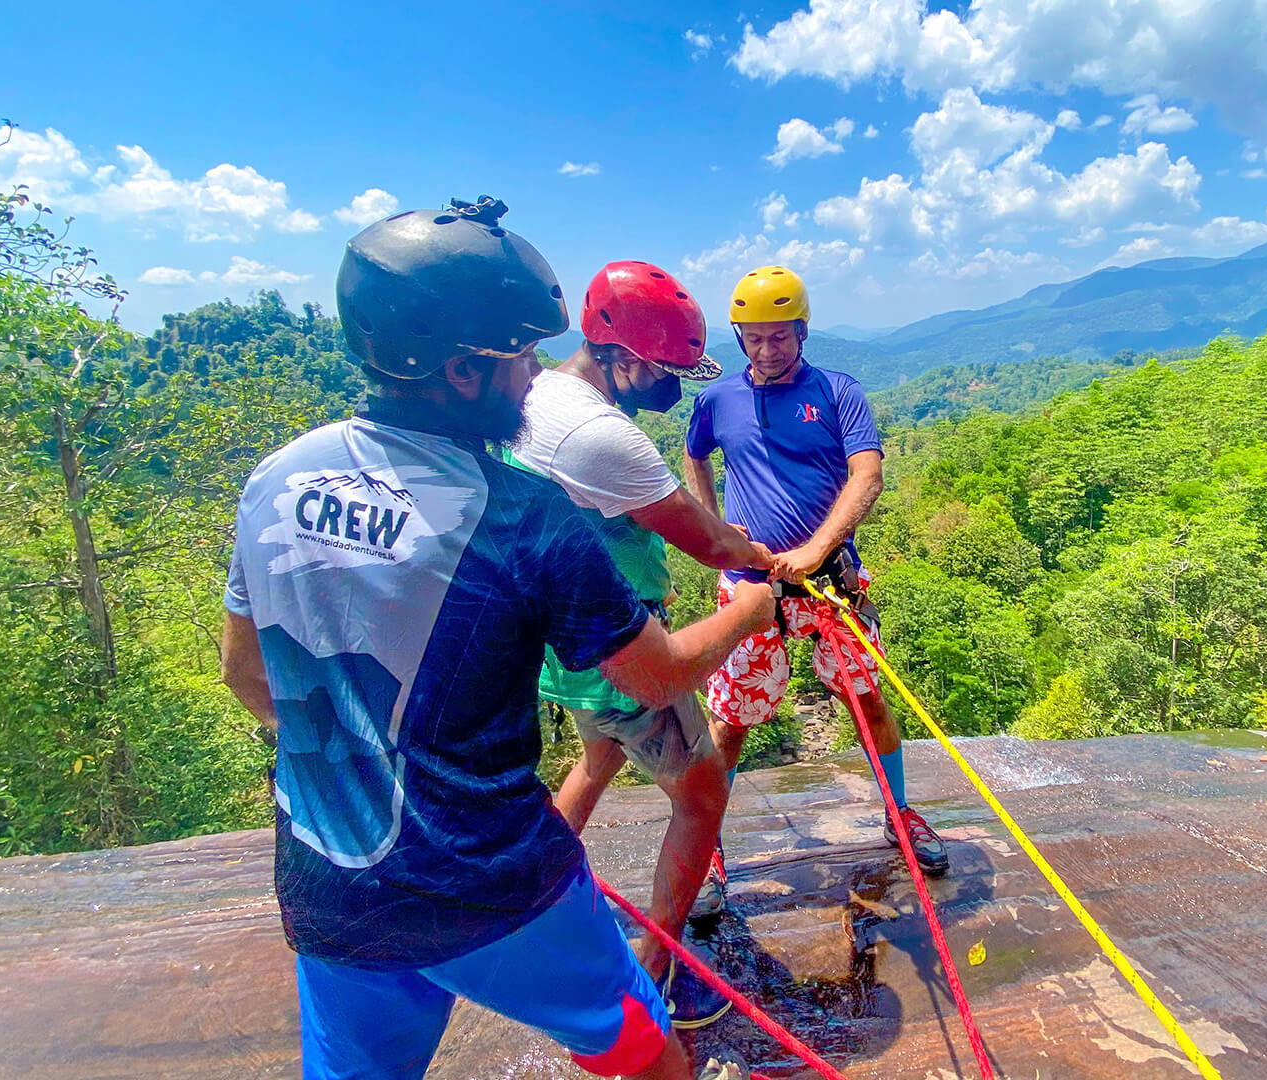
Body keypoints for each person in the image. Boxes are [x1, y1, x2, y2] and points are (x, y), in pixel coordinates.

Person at [220, 197, 770, 1080]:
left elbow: (248, 675)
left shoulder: (280, 476)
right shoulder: (521, 516)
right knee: (646, 1055)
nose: (532, 375)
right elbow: (654, 676)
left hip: (330, 882)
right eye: (520, 356)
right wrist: (750, 608)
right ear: (465, 369)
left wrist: (372, 769)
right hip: (492, 882)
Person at [503, 260, 773, 1028]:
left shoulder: (540, 395)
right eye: (664, 371)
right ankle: (657, 968)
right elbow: (709, 545)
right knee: (702, 790)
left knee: (597, 759)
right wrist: (755, 580)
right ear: (621, 357)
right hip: (619, 649)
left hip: (558, 643)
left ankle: (523, 897)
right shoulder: (602, 436)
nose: (674, 387)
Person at [683, 265, 952, 905]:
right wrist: (715, 532)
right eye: (755, 338)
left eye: (781, 336)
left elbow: (868, 476)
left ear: (802, 332)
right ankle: (706, 846)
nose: (768, 349)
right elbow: (696, 455)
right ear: (740, 338)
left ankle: (900, 813)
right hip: (752, 589)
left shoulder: (837, 392)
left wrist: (816, 549)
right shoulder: (716, 401)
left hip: (831, 584)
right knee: (731, 722)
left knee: (868, 703)